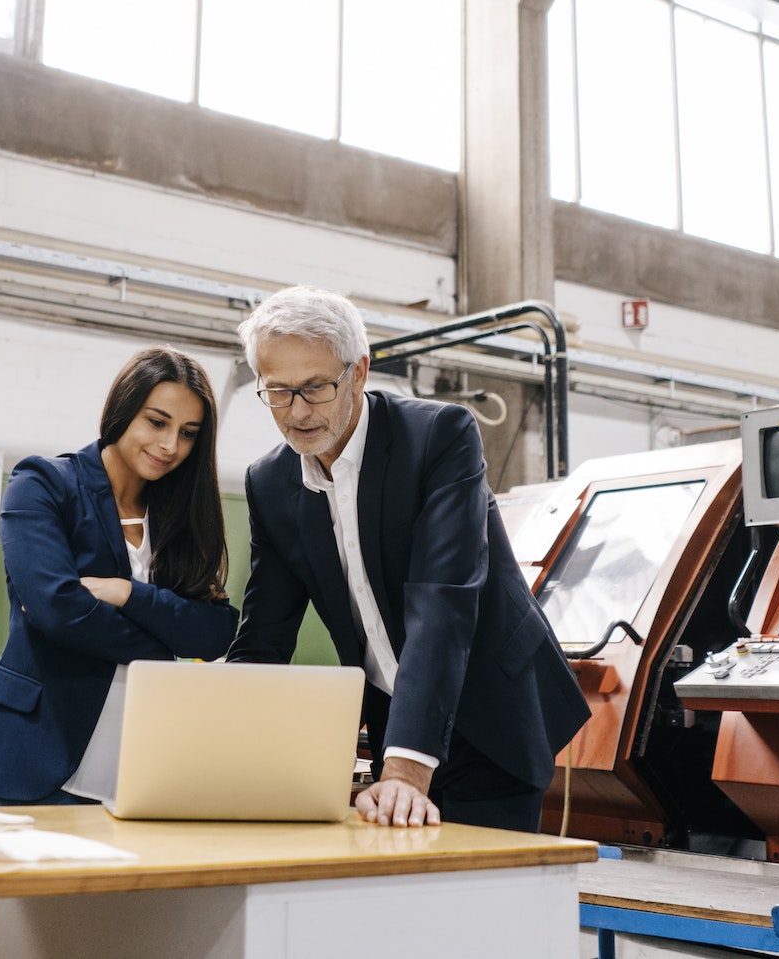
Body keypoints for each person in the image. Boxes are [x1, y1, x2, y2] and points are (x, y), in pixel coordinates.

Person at [228, 286, 590, 833]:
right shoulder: (271, 481)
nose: (297, 411)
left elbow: (441, 602)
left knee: (480, 896)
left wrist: (404, 769)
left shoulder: (439, 437)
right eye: (278, 391)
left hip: (490, 711)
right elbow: (264, 636)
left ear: (359, 373)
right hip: (395, 718)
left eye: (316, 387)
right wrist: (219, 751)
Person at [0, 347, 238, 804]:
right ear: (123, 409)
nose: (170, 445)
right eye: (156, 422)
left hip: (141, 768)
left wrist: (128, 595)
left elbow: (215, 632)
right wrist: (167, 639)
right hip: (36, 756)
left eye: (188, 433)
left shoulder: (179, 515)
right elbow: (59, 609)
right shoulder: (43, 484)